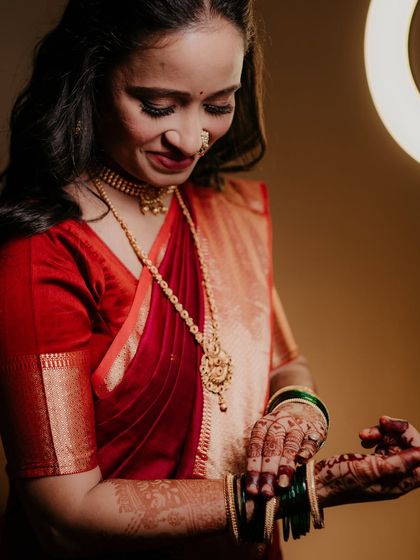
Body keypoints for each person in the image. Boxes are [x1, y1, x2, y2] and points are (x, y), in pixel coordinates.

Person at [0, 1, 418, 559]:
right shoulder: (42, 251)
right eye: (157, 106)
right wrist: (313, 488)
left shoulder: (221, 216)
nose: (191, 138)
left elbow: (283, 364)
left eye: (218, 105)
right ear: (90, 80)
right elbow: (66, 513)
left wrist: (296, 413)